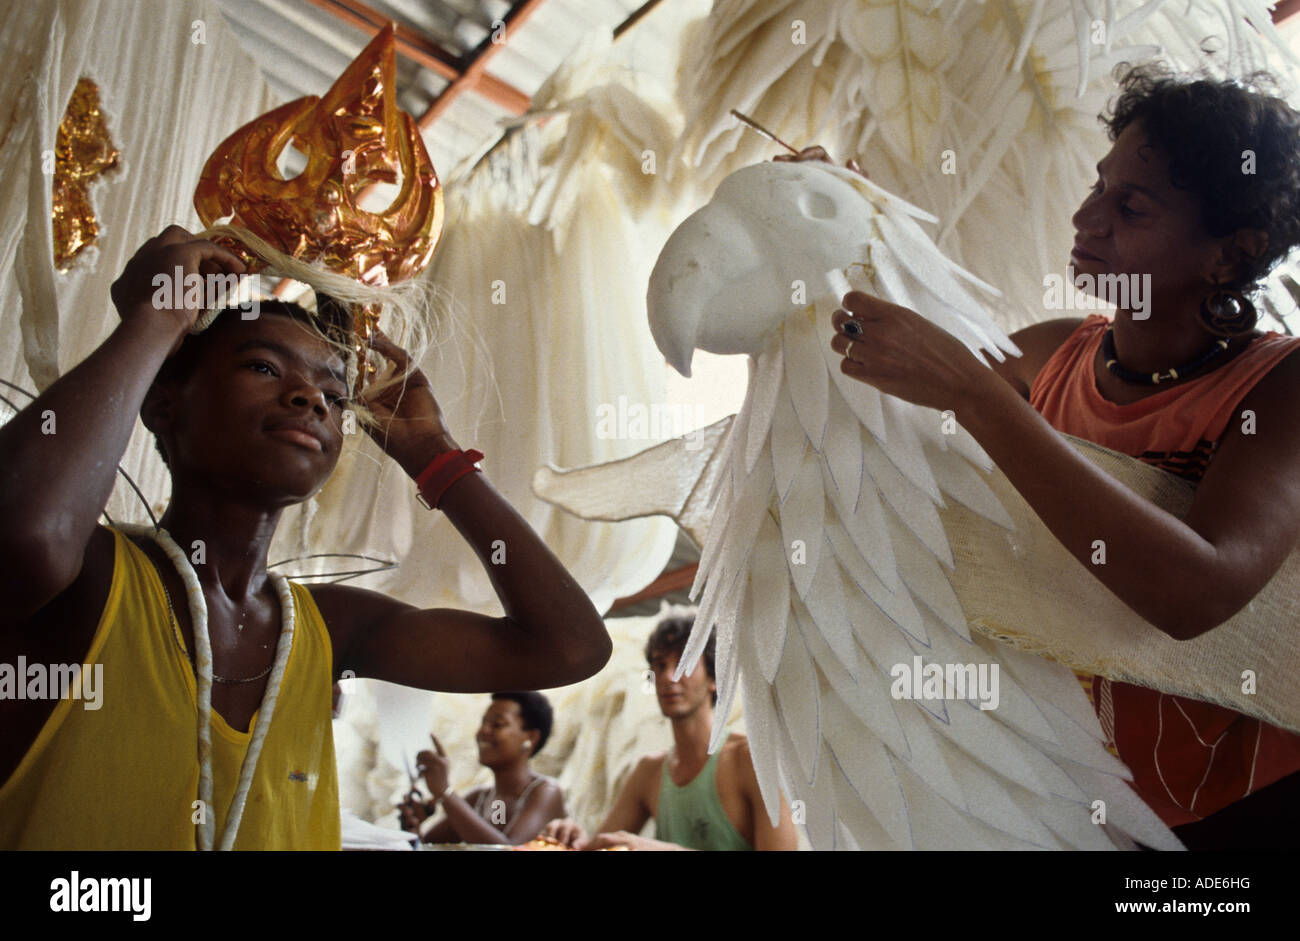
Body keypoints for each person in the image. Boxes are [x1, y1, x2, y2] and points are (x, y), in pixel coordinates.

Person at [0, 228, 611, 849]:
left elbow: (569, 648)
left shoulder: (328, 626)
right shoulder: (92, 582)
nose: (309, 399)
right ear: (164, 405)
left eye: (335, 395)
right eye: (264, 367)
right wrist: (155, 319)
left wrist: (434, 455)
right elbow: (24, 537)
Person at [828, 64, 1300, 849]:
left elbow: (1200, 592)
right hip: (1085, 798)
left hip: (1250, 807)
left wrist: (981, 403)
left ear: (1230, 253)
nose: (1086, 217)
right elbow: (883, 346)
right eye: (1096, 185)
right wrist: (841, 226)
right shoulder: (1050, 354)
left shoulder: (1279, 387)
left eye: (1131, 205)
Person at [542, 613, 799, 850]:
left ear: (714, 679)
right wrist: (573, 837)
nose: (668, 677)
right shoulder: (649, 771)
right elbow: (604, 844)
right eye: (660, 665)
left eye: (683, 664)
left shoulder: (751, 760)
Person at [397, 691, 565, 845]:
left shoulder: (545, 792)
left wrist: (445, 793)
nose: (483, 731)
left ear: (531, 737)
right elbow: (426, 845)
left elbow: (508, 849)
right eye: (484, 722)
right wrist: (412, 828)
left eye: (498, 724)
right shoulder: (478, 799)